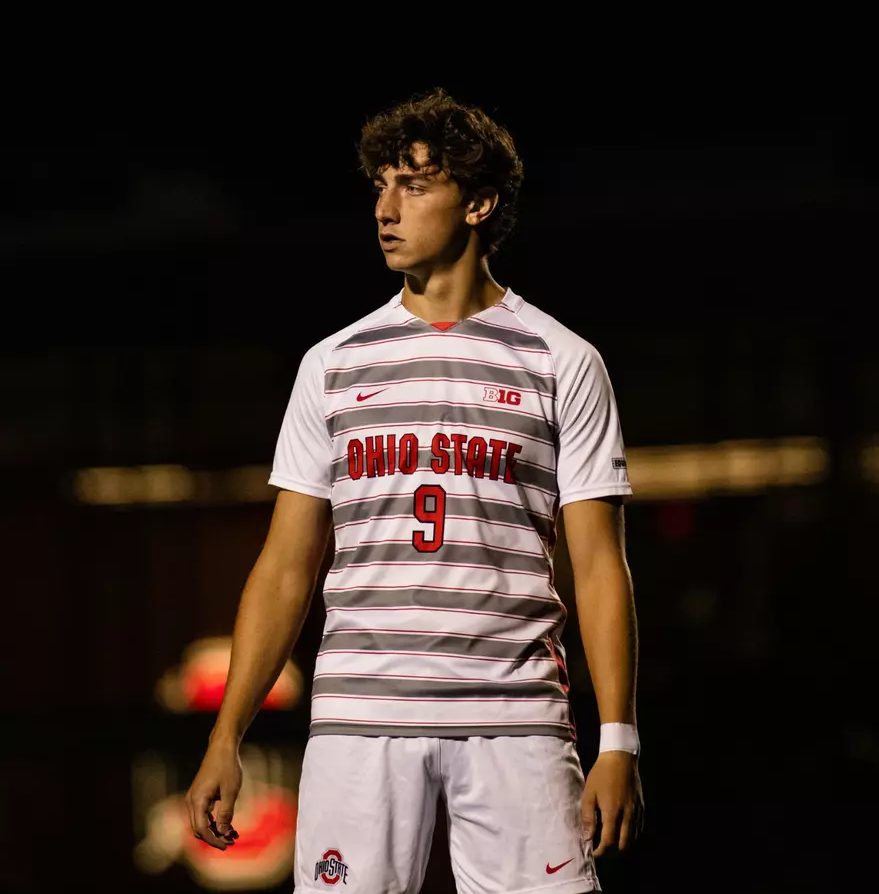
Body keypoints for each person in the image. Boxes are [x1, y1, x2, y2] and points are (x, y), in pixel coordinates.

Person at [185, 88, 644, 893]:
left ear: (480, 202)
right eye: (379, 186)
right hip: (358, 727)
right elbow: (286, 565)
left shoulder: (561, 360)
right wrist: (229, 735)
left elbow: (600, 567)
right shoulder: (332, 364)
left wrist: (618, 741)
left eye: (414, 184)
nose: (385, 208)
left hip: (515, 722)